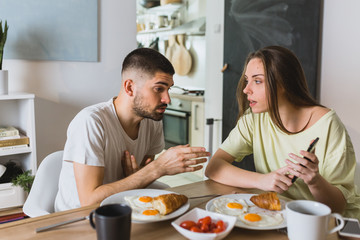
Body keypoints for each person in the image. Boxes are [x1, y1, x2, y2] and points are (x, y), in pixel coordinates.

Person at [205, 46, 360, 219]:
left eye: (257, 81)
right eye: (247, 80)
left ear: (283, 84)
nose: (246, 89)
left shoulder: (328, 124)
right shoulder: (254, 118)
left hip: (330, 223)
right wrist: (262, 180)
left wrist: (314, 181)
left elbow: (337, 208)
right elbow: (213, 168)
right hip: (280, 218)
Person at [55, 48, 210, 211]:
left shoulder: (152, 121)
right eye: (159, 89)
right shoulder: (91, 122)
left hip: (122, 207)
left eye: (169, 89)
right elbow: (89, 201)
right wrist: (159, 167)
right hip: (77, 218)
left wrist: (141, 174)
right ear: (129, 87)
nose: (167, 99)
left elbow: (140, 177)